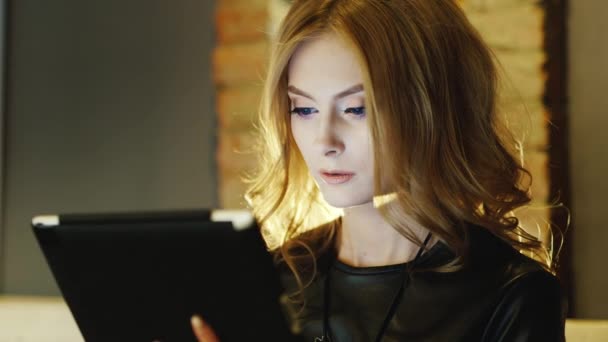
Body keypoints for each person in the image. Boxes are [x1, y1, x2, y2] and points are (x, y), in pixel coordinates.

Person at [191, 0, 566, 341]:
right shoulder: (273, 282)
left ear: (432, 106)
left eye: (357, 108)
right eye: (304, 109)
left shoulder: (512, 295)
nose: (325, 141)